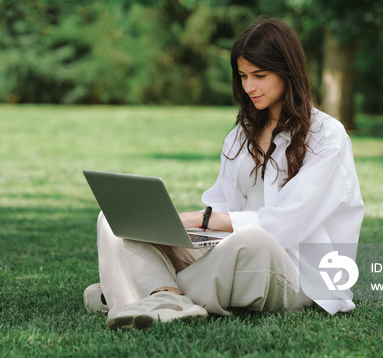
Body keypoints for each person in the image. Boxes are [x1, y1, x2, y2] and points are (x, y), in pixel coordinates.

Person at [84, 18, 365, 330]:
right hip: (231, 253)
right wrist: (177, 232)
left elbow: (285, 223)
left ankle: (132, 289)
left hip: (300, 272)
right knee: (114, 219)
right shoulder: (240, 135)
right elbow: (221, 205)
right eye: (243, 76)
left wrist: (199, 219)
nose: (249, 87)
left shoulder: (327, 136)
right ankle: (164, 296)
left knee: (252, 239)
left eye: (260, 75)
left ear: (288, 72)